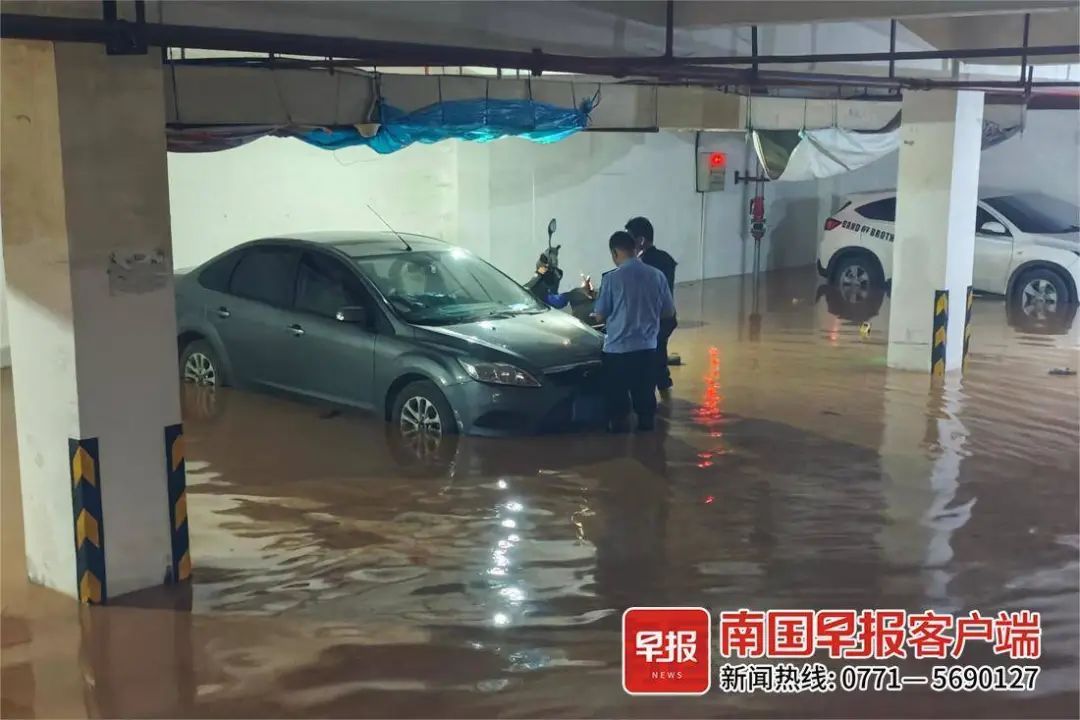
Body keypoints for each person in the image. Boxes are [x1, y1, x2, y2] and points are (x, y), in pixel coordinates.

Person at [592, 230, 675, 432]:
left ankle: (619, 449)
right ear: (635, 249)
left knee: (618, 404)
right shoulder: (657, 276)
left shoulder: (611, 279)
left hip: (617, 350)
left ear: (614, 252)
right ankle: (649, 443)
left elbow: (601, 315)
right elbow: (668, 312)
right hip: (647, 348)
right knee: (645, 398)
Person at [626, 216, 677, 394]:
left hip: (650, 320)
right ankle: (664, 384)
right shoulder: (666, 259)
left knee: (648, 356)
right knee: (660, 349)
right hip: (667, 317)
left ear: (640, 240)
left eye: (630, 238)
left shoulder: (642, 265)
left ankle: (649, 395)